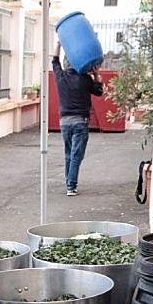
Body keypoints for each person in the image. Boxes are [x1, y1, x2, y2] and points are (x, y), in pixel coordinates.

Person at [53, 46, 104, 196]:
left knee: (69, 153)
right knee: (76, 155)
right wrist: (96, 74)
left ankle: (69, 183)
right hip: (80, 121)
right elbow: (99, 91)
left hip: (64, 122)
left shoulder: (60, 77)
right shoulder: (85, 79)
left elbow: (54, 61)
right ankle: (71, 185)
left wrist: (59, 44)